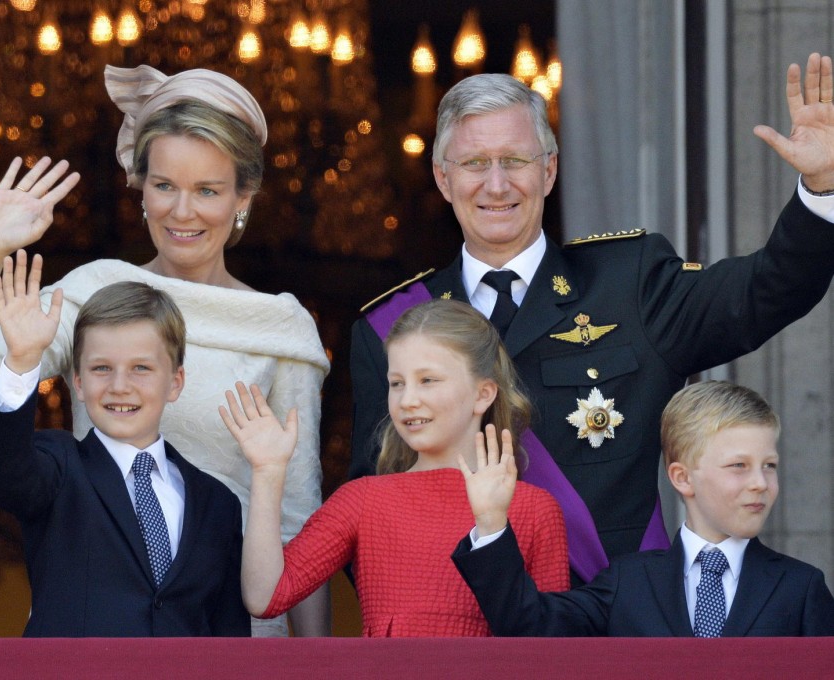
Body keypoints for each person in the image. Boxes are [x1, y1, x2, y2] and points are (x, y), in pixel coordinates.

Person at [350, 53, 834, 581]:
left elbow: (764, 293)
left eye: (515, 160)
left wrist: (823, 188)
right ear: (443, 179)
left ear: (549, 169)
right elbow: (367, 511)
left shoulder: (631, 282)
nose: (495, 185)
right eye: (473, 163)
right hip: (458, 627)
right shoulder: (391, 328)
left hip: (610, 623)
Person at [0, 65, 330, 636]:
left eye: (208, 191)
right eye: (164, 185)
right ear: (140, 187)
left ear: (245, 195)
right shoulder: (98, 291)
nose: (182, 212)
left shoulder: (282, 325)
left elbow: (299, 520)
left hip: (233, 632)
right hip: (98, 626)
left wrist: (312, 666)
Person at [223, 300, 568, 637]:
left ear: (483, 394)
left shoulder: (535, 510)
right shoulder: (364, 499)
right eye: (397, 383)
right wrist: (268, 471)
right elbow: (265, 597)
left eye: (428, 380)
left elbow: (552, 651)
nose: (407, 400)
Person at [0, 255, 248, 636]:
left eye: (141, 368)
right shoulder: (60, 468)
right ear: (78, 382)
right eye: (102, 368)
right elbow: (2, 472)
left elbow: (228, 637)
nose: (120, 385)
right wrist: (21, 360)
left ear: (175, 383)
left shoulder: (218, 504)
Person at [453, 380, 834, 636]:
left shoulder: (801, 588)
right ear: (682, 478)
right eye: (739, 466)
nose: (760, 483)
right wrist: (490, 521)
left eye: (769, 466)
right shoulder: (628, 582)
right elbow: (529, 625)